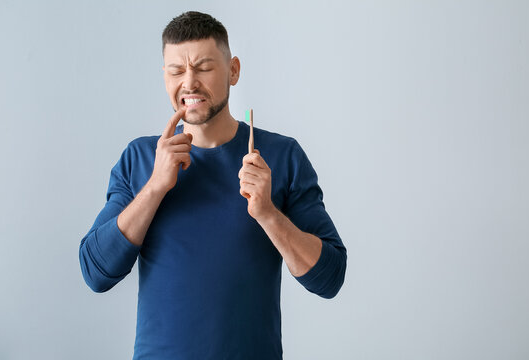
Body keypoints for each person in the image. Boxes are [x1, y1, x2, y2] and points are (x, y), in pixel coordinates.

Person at [79, 11, 347, 360]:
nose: (189, 83)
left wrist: (267, 214)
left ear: (233, 70)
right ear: (165, 76)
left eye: (203, 67)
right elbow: (95, 273)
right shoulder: (140, 158)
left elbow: (330, 279)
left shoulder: (282, 157)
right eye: (176, 71)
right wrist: (156, 187)